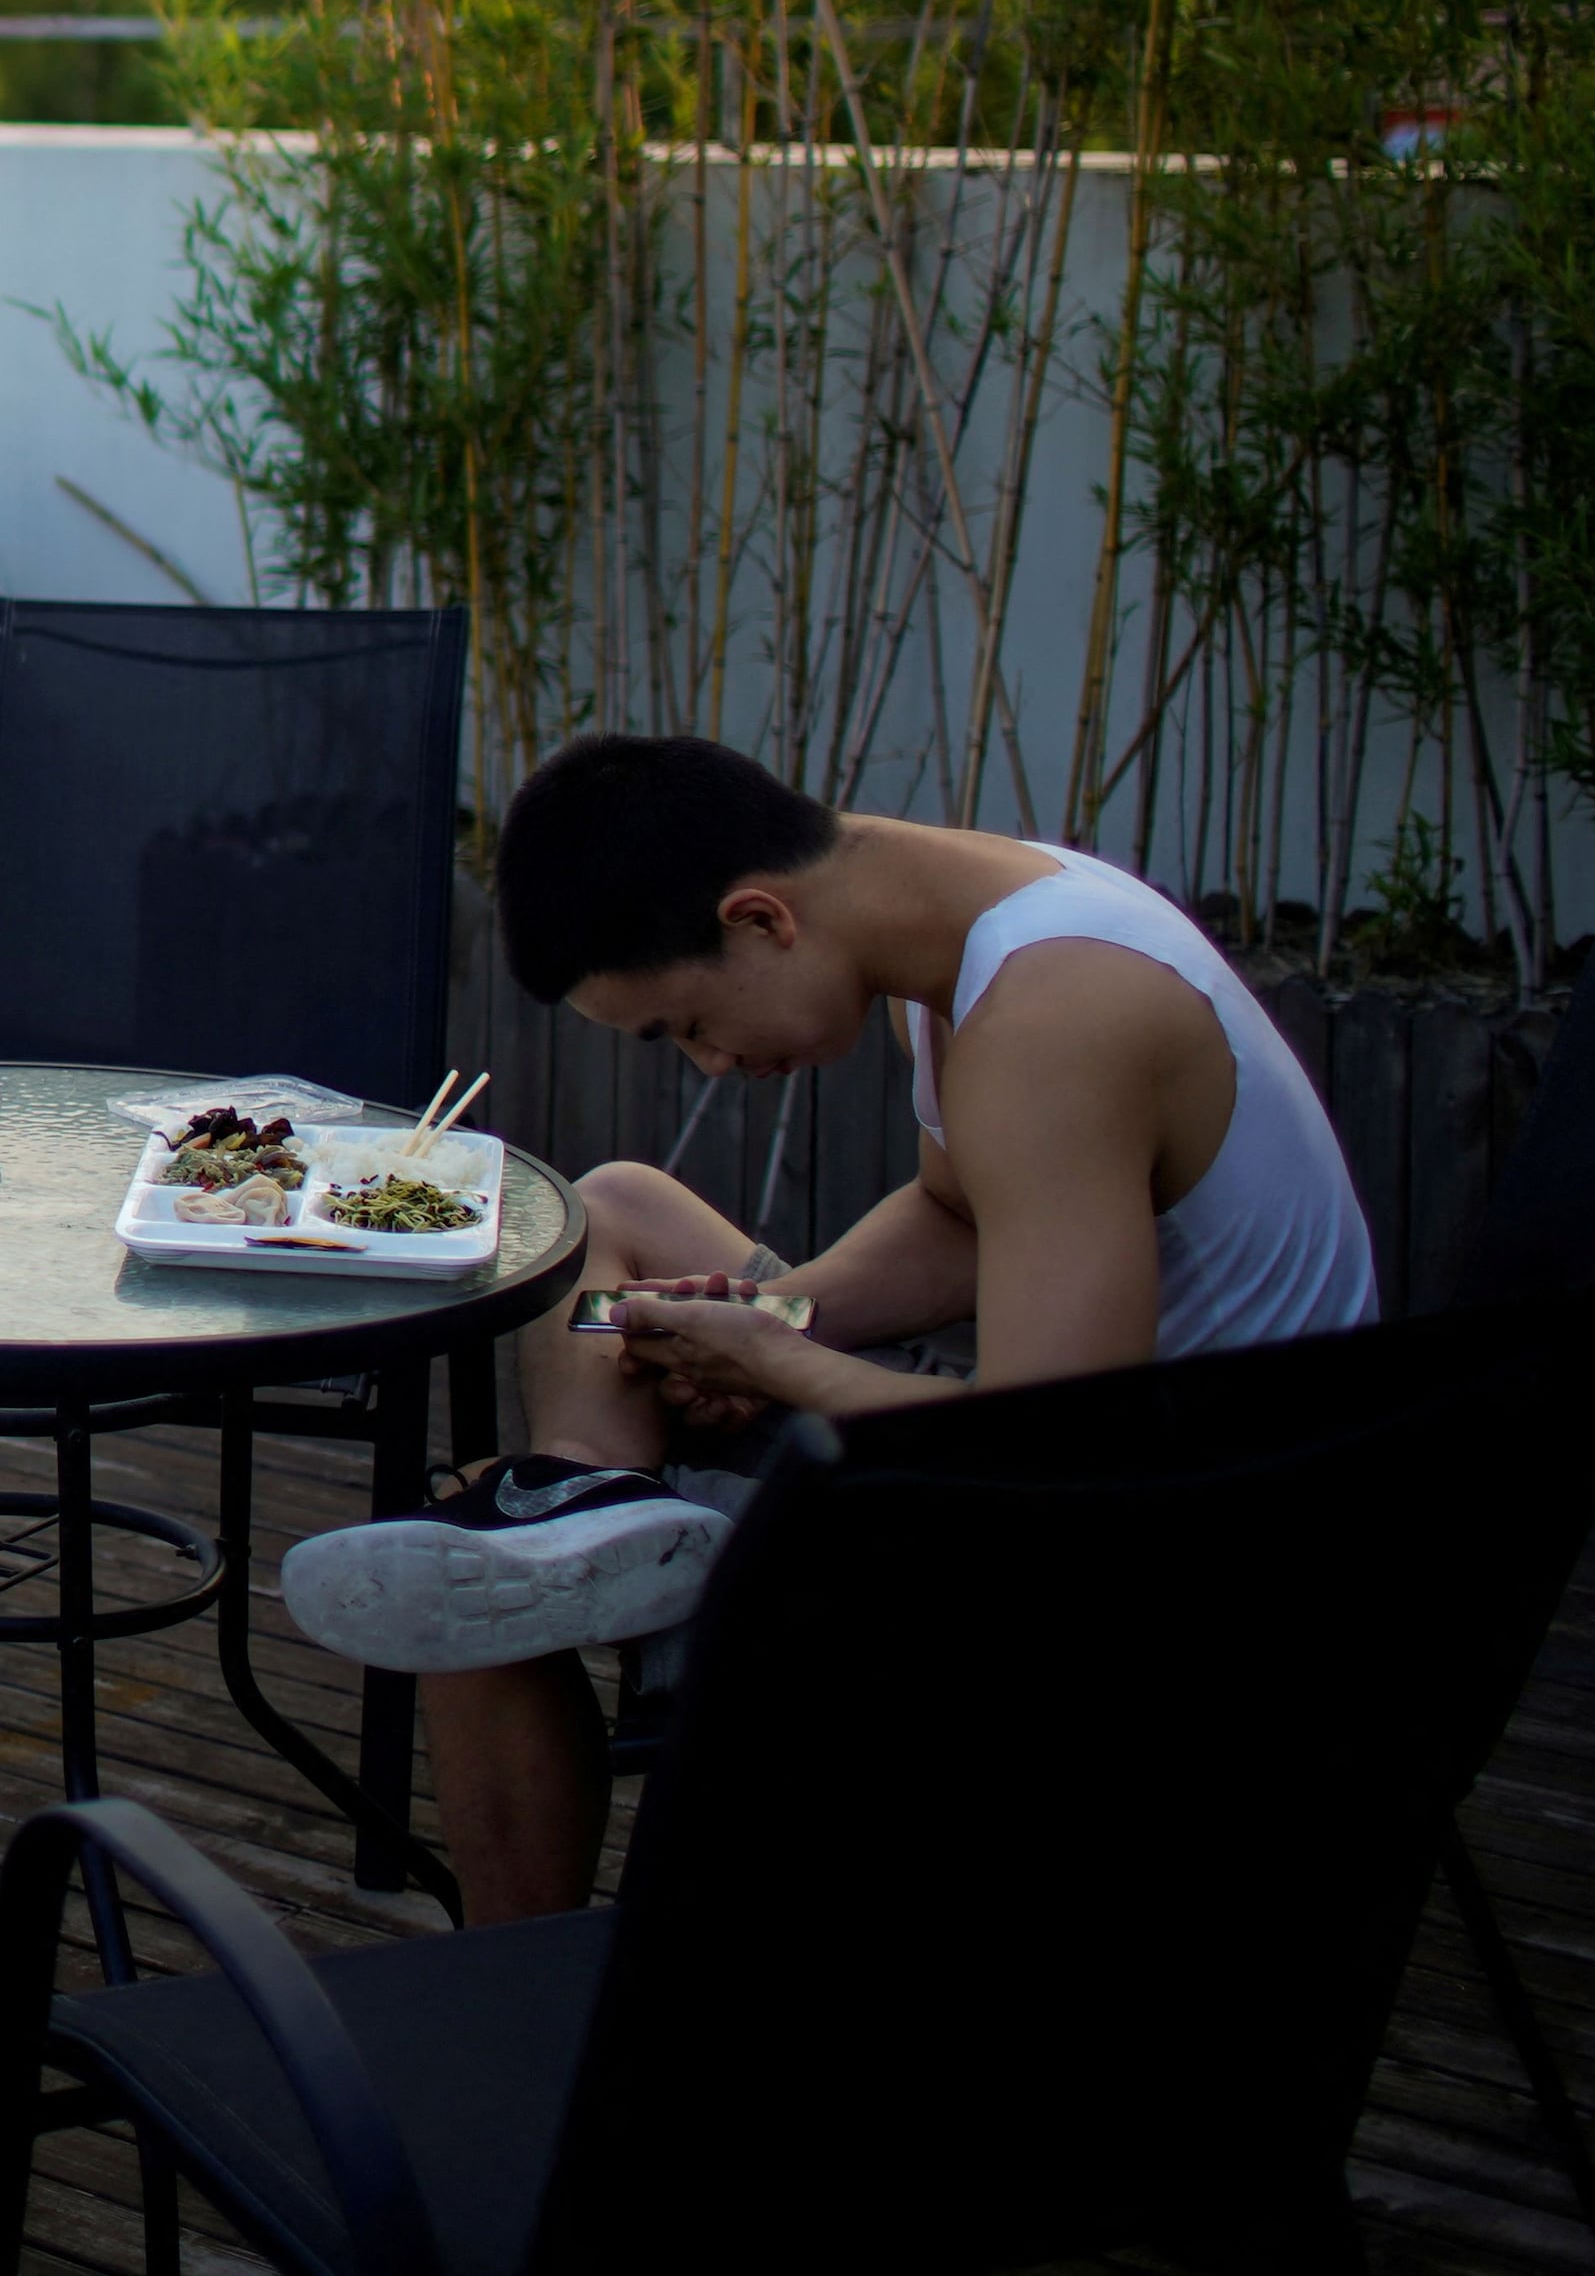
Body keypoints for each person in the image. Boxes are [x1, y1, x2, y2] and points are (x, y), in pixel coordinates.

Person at [280, 733, 1379, 1924]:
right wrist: (767, 1314)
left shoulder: (1050, 1023)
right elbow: (963, 1217)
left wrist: (779, 1361)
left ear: (759, 920)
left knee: (474, 1601)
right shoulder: (983, 926)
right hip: (1114, 1452)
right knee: (616, 1210)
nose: (708, 1063)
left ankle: (524, 1945)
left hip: (1184, 1551)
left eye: (683, 1026)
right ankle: (586, 1505)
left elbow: (1056, 1449)